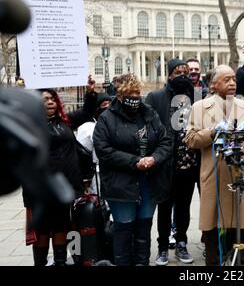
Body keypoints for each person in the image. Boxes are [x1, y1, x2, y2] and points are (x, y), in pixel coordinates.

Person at [185, 65, 244, 265]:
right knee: (212, 228)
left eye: (234, 79)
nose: (232, 83)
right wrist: (213, 132)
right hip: (213, 175)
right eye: (226, 79)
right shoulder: (199, 107)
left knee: (236, 227)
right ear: (213, 84)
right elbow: (191, 139)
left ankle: (236, 263)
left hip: (238, 174)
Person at [93, 73, 172, 266]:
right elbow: (104, 150)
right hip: (121, 185)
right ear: (119, 95)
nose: (135, 96)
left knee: (144, 229)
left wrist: (154, 158)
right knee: (124, 229)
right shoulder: (106, 119)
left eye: (137, 92)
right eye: (129, 92)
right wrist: (134, 161)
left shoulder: (150, 114)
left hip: (149, 183)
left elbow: (166, 141)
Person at [24, 77, 98, 266]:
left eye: (52, 99)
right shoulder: (29, 124)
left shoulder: (64, 121)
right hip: (41, 188)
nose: (50, 102)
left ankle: (60, 262)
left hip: (66, 187)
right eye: (44, 99)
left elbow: (87, 112)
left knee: (61, 227)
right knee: (42, 230)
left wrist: (90, 92)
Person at [145, 58, 199, 265]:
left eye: (186, 72)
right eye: (178, 72)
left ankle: (182, 243)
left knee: (184, 207)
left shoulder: (196, 97)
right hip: (165, 163)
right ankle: (162, 248)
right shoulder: (155, 97)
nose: (183, 76)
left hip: (188, 163)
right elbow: (147, 129)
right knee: (165, 207)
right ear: (169, 75)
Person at [76, 93, 112, 194]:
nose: (107, 107)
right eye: (104, 104)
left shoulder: (117, 124)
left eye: (110, 104)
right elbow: (82, 156)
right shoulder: (87, 128)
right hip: (97, 176)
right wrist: (85, 181)